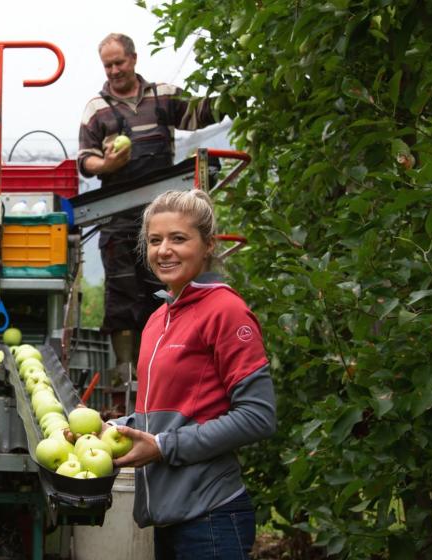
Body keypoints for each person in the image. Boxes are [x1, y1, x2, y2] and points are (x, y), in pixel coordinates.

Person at [103, 189, 277, 559]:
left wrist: (164, 447)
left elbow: (259, 417)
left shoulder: (225, 311)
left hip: (210, 516)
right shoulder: (158, 319)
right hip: (171, 518)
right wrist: (109, 430)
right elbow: (166, 416)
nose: (164, 250)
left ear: (208, 244)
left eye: (178, 238)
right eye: (154, 240)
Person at [77, 33, 220, 378]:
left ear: (134, 59)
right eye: (108, 65)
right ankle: (129, 376)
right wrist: (107, 165)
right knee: (123, 296)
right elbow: (85, 161)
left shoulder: (163, 96)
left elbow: (200, 113)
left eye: (119, 63)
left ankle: (170, 366)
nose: (113, 71)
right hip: (119, 219)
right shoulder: (96, 109)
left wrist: (238, 92)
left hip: (163, 218)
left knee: (165, 288)